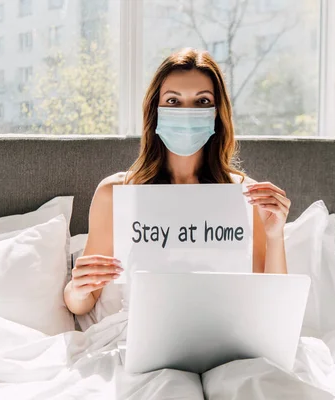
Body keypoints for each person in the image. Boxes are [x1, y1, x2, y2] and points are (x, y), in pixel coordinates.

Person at [64, 48, 291, 317]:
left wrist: (276, 236)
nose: (187, 112)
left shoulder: (246, 195)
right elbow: (83, 302)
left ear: (218, 114)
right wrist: (77, 288)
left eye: (202, 101)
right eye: (173, 101)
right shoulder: (117, 194)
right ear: (155, 111)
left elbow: (274, 304)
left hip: (225, 334)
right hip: (143, 335)